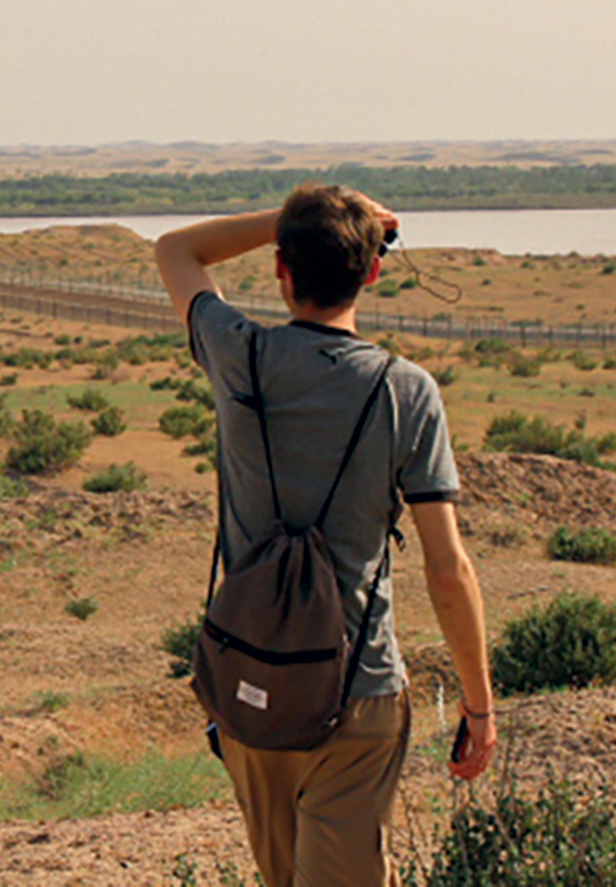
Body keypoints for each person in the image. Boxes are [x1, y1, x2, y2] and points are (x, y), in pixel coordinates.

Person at [153, 184, 495, 887]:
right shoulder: (404, 391)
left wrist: (299, 221)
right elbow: (447, 569)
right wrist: (479, 706)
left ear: (281, 267)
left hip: (250, 682)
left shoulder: (238, 354)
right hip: (358, 690)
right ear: (372, 271)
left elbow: (175, 249)